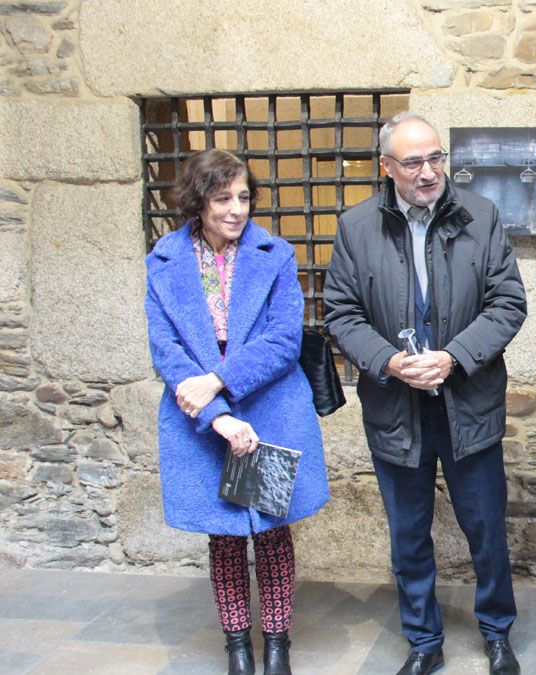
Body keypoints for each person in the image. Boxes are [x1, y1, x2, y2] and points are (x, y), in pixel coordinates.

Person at [324, 113, 526, 675]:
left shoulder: (480, 216)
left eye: (436, 158)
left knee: (485, 528)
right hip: (396, 407)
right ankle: (423, 640)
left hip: (468, 403)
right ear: (386, 167)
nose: (429, 172)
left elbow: (508, 303)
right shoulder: (356, 226)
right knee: (409, 533)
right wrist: (389, 361)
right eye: (413, 162)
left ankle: (497, 632)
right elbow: (341, 311)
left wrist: (453, 357)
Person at [144, 148, 330, 675]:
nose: (235, 209)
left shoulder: (275, 254)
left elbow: (282, 341)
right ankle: (238, 648)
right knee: (224, 537)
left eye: (244, 196)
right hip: (202, 419)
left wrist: (219, 379)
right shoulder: (163, 260)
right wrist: (217, 412)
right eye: (222, 197)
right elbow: (167, 351)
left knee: (271, 531)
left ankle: (276, 645)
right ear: (198, 200)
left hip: (268, 407)